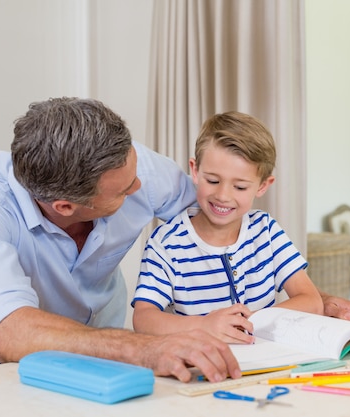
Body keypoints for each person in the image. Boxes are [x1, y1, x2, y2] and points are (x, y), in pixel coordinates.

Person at [0, 97, 350, 383]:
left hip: (117, 339)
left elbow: (221, 219)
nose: (138, 190)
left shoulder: (132, 167)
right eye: (123, 192)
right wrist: (148, 348)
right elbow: (9, 330)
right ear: (66, 207)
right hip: (33, 354)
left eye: (135, 175)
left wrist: (311, 297)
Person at [131, 111, 324, 343]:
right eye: (213, 181)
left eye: (240, 187)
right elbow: (144, 319)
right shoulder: (166, 243)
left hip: (266, 363)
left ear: (263, 186)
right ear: (195, 170)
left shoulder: (266, 231)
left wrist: (253, 321)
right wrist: (204, 325)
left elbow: (310, 300)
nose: (223, 196)